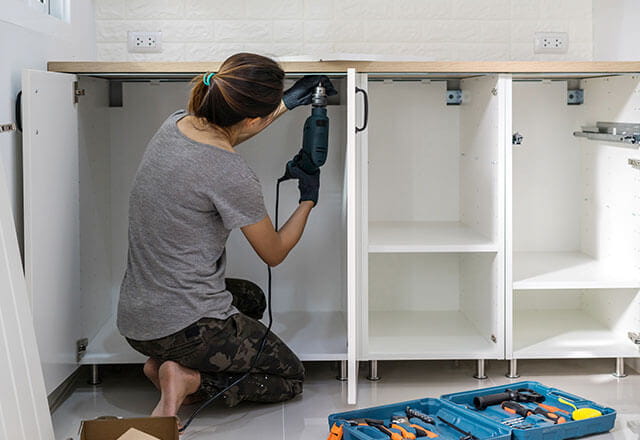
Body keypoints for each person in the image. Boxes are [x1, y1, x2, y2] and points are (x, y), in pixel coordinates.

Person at [116, 52, 337, 418]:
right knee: (290, 377)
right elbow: (275, 252)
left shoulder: (173, 125)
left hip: (137, 319)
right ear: (252, 118)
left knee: (250, 298)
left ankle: (162, 363)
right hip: (186, 327)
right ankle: (188, 379)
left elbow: (225, 138)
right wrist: (308, 199)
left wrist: (284, 104)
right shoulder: (232, 173)